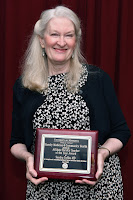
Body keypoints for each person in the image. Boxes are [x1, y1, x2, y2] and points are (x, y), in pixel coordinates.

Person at [10, 5, 130, 200]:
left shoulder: (97, 79)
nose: (61, 42)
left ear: (76, 41)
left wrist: (102, 154)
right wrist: (28, 158)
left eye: (69, 35)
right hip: (45, 191)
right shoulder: (24, 86)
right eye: (54, 34)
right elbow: (16, 142)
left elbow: (121, 131)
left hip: (99, 188)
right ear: (41, 40)